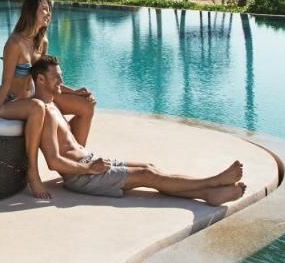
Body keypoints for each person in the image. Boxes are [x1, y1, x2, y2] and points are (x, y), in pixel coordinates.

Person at [30, 55, 246, 204]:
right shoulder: (44, 112)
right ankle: (214, 181)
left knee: (149, 167)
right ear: (40, 80)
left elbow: (70, 128)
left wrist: (76, 94)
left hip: (91, 163)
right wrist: (89, 169)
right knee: (147, 175)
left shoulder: (53, 105)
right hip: (84, 176)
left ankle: (209, 193)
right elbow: (53, 161)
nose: (62, 80)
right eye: (56, 77)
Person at [0, 0, 96, 199]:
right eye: (43, 10)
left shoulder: (42, 42)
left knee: (86, 105)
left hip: (35, 97)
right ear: (31, 12)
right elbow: (6, 83)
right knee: (38, 107)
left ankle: (76, 161)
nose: (48, 14)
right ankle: (33, 173)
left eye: (49, 10)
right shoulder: (14, 44)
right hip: (13, 103)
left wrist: (75, 92)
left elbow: (47, 78)